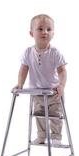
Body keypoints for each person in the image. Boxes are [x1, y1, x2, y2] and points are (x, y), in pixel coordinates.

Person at [13, 14, 67, 146]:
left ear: (53, 33)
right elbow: (23, 69)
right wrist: (19, 84)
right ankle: (41, 136)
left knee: (55, 115)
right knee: (39, 115)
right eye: (40, 29)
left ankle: (56, 137)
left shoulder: (55, 52)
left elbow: (62, 70)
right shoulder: (28, 52)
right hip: (37, 92)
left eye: (49, 29)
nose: (45, 32)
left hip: (53, 92)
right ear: (32, 33)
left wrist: (61, 85)